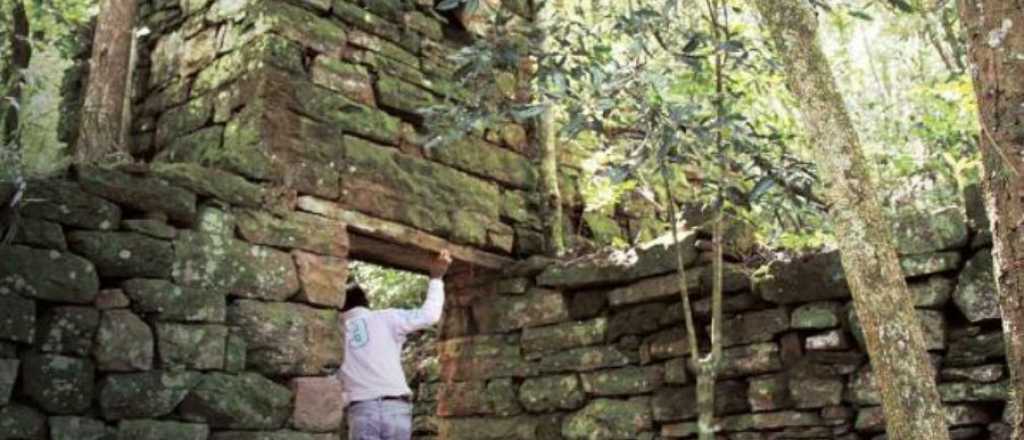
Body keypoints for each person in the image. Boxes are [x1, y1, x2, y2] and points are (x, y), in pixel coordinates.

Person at [339, 250, 452, 440]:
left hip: (362, 409)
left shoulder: (335, 333)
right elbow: (430, 315)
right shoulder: (387, 318)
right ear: (366, 302)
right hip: (396, 408)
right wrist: (436, 277)